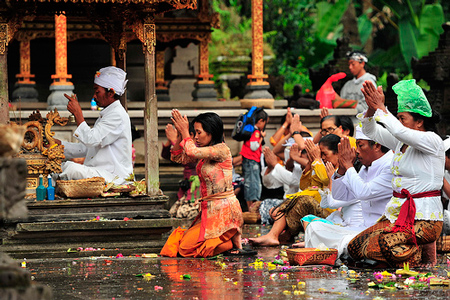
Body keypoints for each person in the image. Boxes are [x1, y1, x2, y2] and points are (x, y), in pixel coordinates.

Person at [347, 79, 445, 268]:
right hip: (398, 215)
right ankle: (413, 252)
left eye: (403, 117)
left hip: (426, 220)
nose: (399, 122)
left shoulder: (432, 141)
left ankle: (418, 255)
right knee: (355, 247)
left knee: (383, 245)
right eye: (398, 118)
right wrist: (371, 109)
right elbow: (370, 130)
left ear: (419, 122)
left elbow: (398, 130)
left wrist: (382, 107)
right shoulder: (401, 142)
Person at [162, 110, 248, 258]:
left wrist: (184, 131)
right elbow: (177, 158)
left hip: (224, 212)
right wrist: (179, 137)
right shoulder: (204, 155)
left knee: (184, 249)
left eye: (198, 132)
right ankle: (224, 243)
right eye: (194, 132)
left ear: (211, 132)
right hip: (209, 212)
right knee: (183, 245)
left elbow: (192, 152)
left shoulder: (222, 150)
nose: (195, 136)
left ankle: (228, 244)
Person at [301, 126, 394, 255]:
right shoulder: (366, 167)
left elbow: (364, 193)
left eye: (361, 146)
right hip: (360, 229)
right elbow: (341, 197)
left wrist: (349, 166)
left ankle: (337, 254)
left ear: (377, 146)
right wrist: (341, 171)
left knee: (347, 242)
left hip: (380, 230)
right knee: (314, 227)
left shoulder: (390, 165)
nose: (356, 151)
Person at [249, 134, 343, 246]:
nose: (322, 157)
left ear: (337, 153)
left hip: (335, 216)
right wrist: (310, 162)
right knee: (291, 203)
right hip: (323, 208)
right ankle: (278, 235)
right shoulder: (322, 165)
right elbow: (305, 186)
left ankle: (284, 235)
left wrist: (317, 160)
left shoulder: (342, 168)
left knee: (304, 201)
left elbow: (326, 179)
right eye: (320, 154)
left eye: (324, 154)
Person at [55, 66, 132, 185]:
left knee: (69, 169)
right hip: (101, 173)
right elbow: (87, 148)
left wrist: (78, 114)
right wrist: (58, 146)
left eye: (97, 91)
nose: (94, 96)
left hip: (114, 178)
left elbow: (91, 140)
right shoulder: (108, 113)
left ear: (110, 92)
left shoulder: (117, 114)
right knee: (61, 168)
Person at [240, 108, 268, 211]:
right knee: (253, 184)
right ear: (260, 121)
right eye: (264, 122)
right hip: (251, 160)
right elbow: (254, 146)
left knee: (251, 183)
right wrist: (261, 137)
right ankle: (252, 209)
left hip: (249, 160)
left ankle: (251, 208)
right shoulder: (256, 132)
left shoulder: (251, 130)